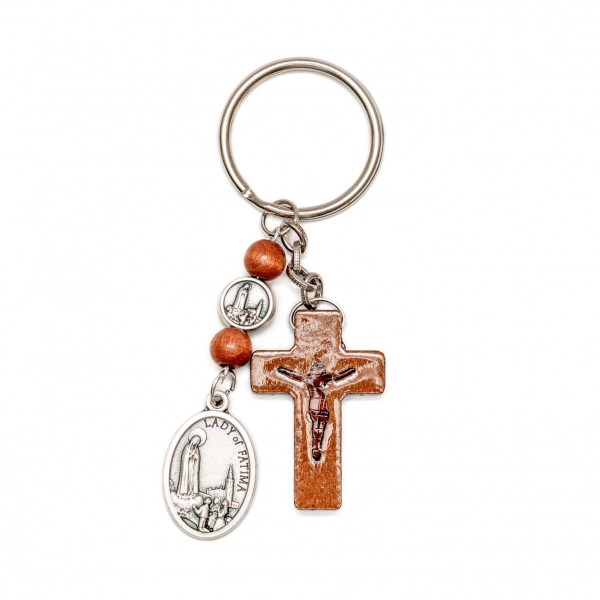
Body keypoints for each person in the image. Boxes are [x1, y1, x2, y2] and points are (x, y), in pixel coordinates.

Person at [277, 362, 355, 461]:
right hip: (322, 406)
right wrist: (349, 371)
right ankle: (316, 448)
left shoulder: (307, 379)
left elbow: (294, 375)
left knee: (316, 428)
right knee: (319, 429)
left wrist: (284, 371)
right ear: (321, 371)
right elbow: (338, 377)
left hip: (313, 406)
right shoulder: (323, 378)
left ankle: (316, 448)